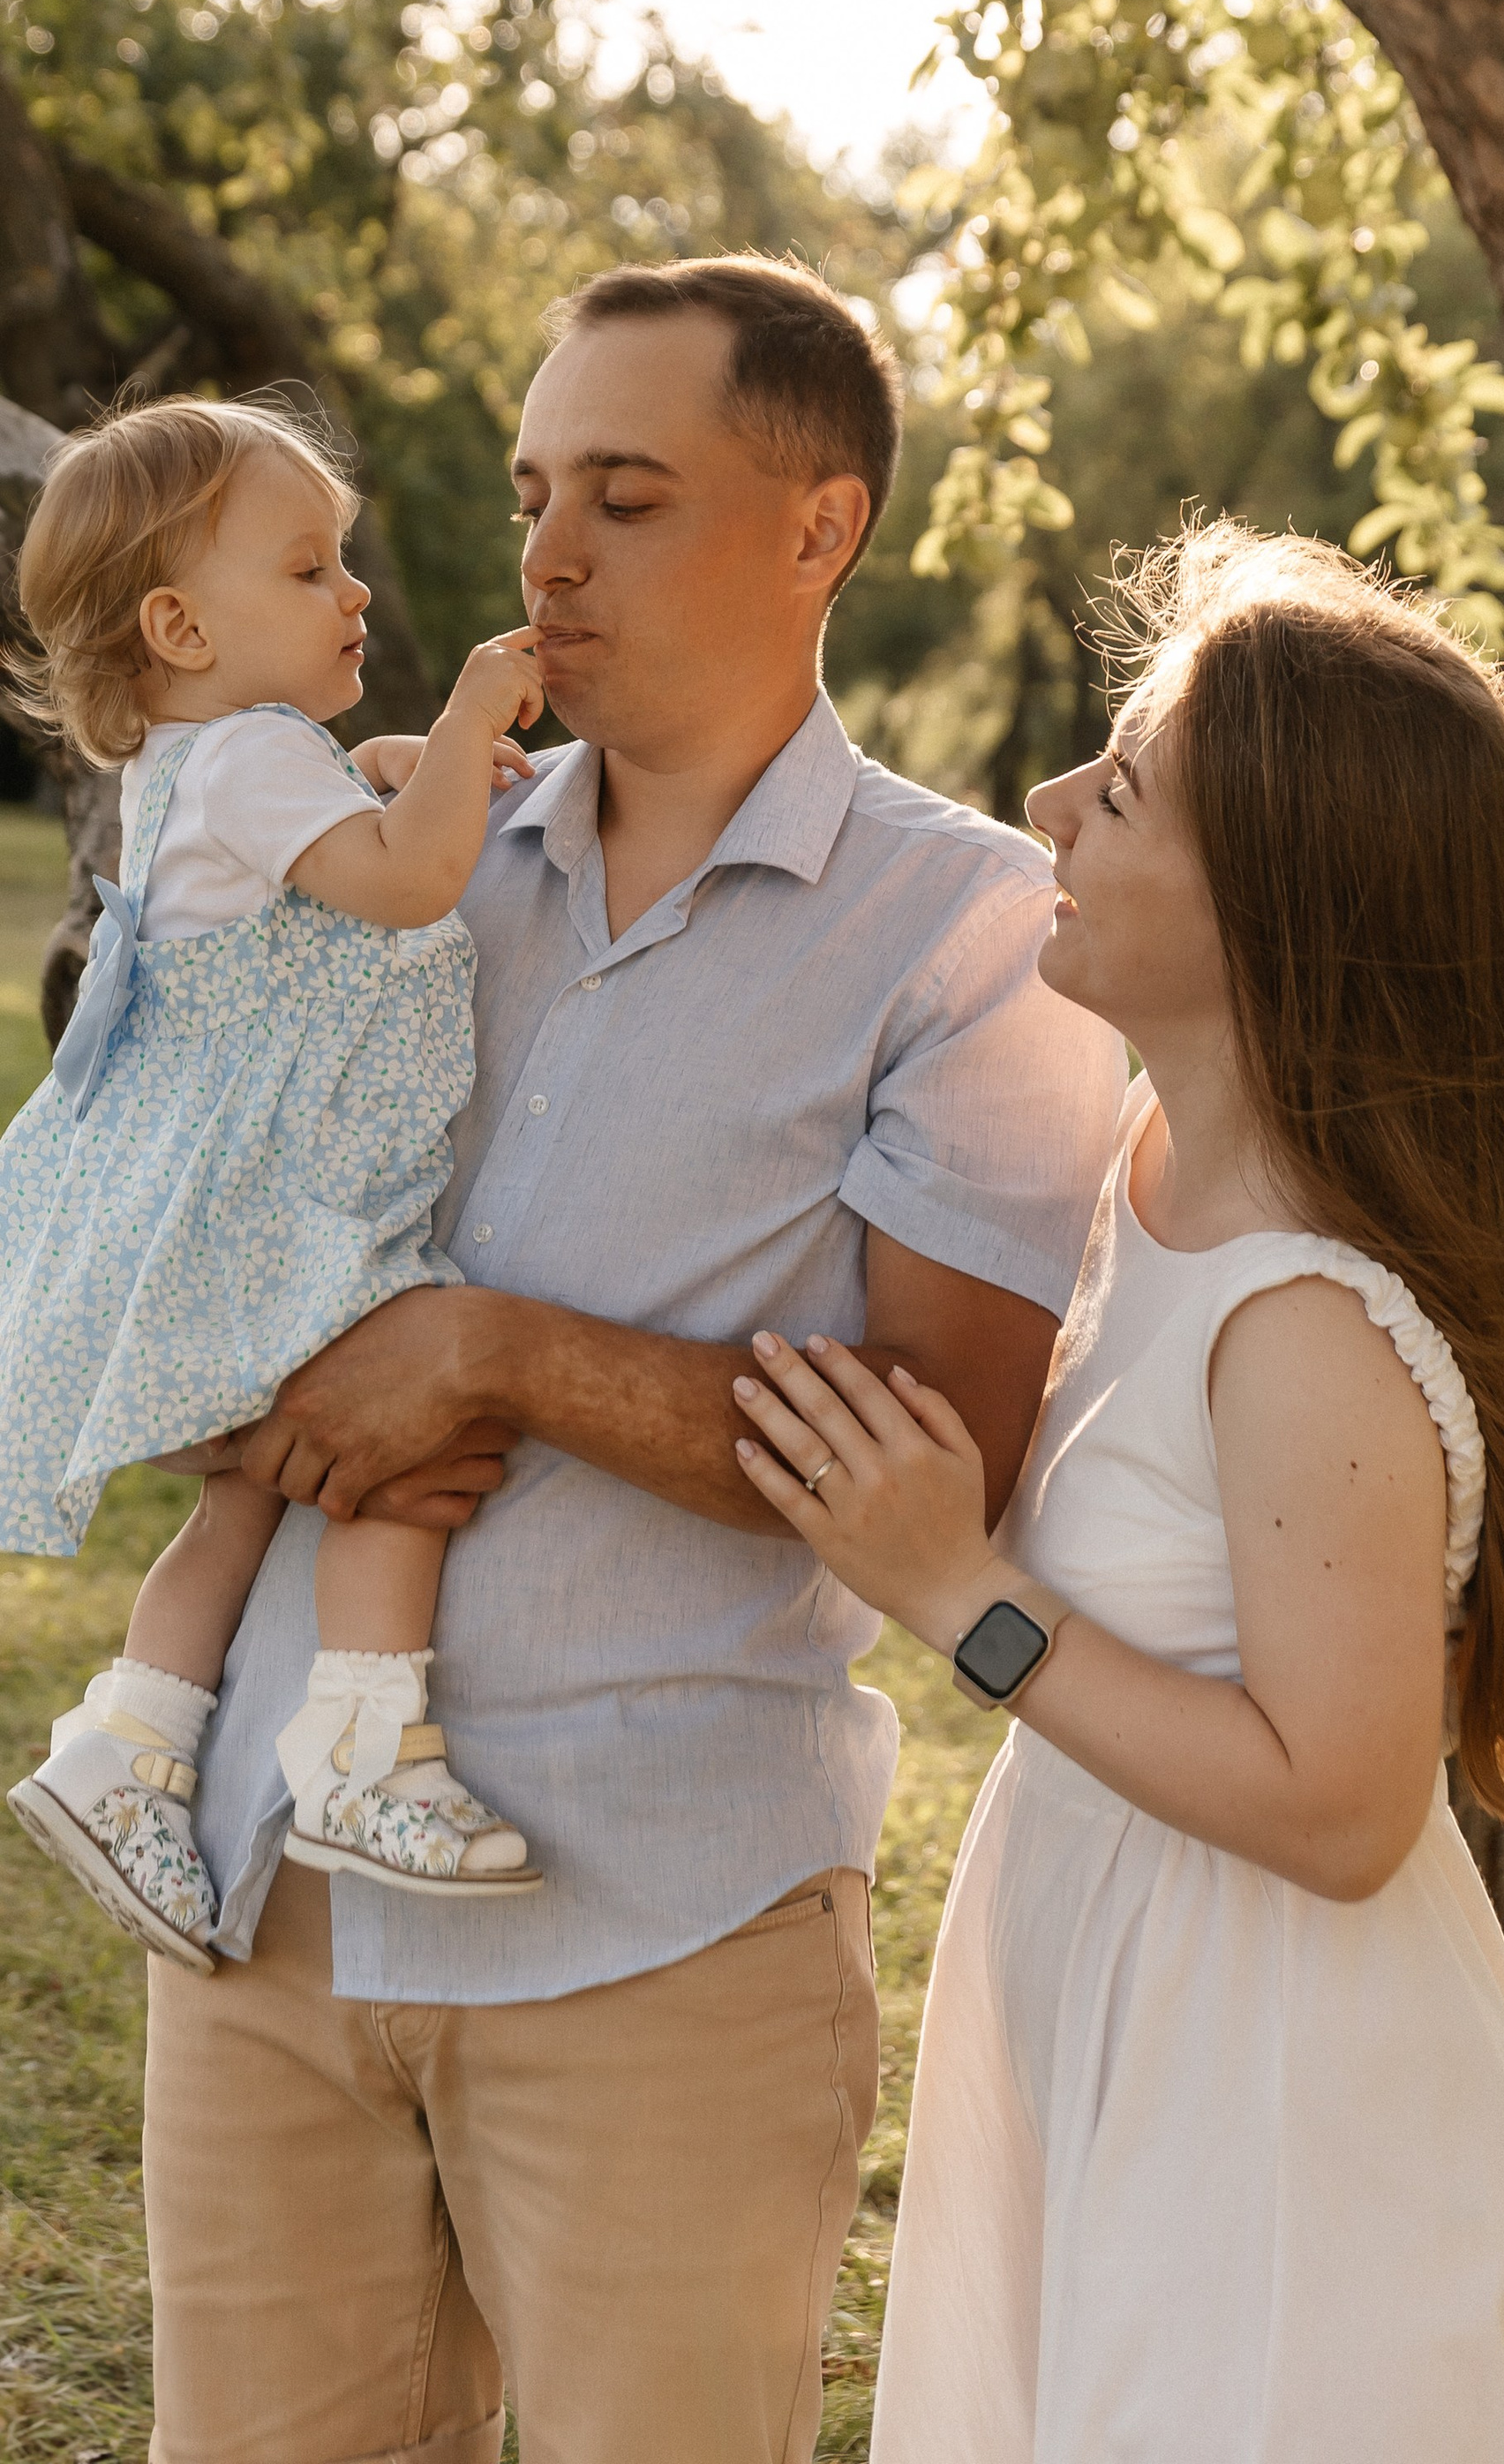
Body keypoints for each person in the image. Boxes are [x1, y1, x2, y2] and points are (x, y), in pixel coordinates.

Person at [143, 256, 1129, 2464]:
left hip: (657, 1923)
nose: (546, 554)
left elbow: (936, 1455)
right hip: (267, 1899)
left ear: (819, 528)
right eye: (527, 492)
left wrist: (485, 1355)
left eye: (629, 492)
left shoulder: (972, 932)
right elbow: (165, 1203)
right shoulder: (390, 852)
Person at [735, 524, 1504, 2464]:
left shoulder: (1306, 1322)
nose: (1047, 802)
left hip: (1274, 2084)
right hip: (1115, 1975)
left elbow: (1342, 1807)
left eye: (1117, 787)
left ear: (1273, 907)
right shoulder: (1145, 1158)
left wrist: (957, 1591)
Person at [0, 392, 552, 1964]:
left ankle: (126, 1751)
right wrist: (464, 732)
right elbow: (401, 889)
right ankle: (364, 1756)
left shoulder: (221, 763)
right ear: (183, 625)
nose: (358, 596)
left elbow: (341, 851)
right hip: (284, 1216)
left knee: (250, 1509)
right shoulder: (256, 764)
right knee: (408, 1439)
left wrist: (398, 765)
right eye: (311, 569)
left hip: (220, 1204)